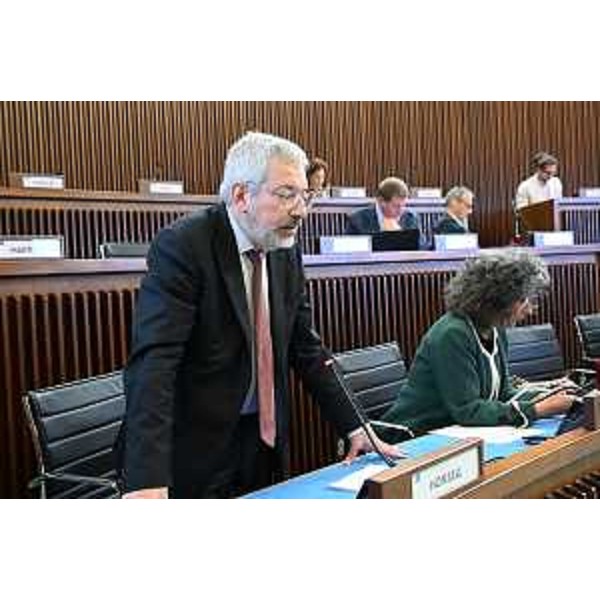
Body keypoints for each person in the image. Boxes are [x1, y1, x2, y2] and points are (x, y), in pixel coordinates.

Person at [117, 131, 398, 499]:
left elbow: (307, 348)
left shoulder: (283, 246)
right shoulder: (184, 245)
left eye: (304, 196)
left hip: (263, 442)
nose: (300, 210)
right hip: (192, 450)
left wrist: (355, 425)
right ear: (241, 196)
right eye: (286, 194)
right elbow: (155, 363)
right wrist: (146, 477)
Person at [380, 249, 575, 437]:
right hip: (414, 437)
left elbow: (504, 392)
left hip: (459, 434)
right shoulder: (453, 334)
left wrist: (547, 394)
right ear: (499, 298)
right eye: (524, 300)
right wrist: (539, 409)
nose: (530, 309)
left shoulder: (496, 329)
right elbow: (468, 410)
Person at [345, 177, 422, 242]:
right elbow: (350, 249)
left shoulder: (411, 218)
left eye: (403, 205)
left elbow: (423, 247)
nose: (400, 211)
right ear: (381, 201)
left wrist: (401, 235)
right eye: (396, 206)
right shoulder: (358, 220)